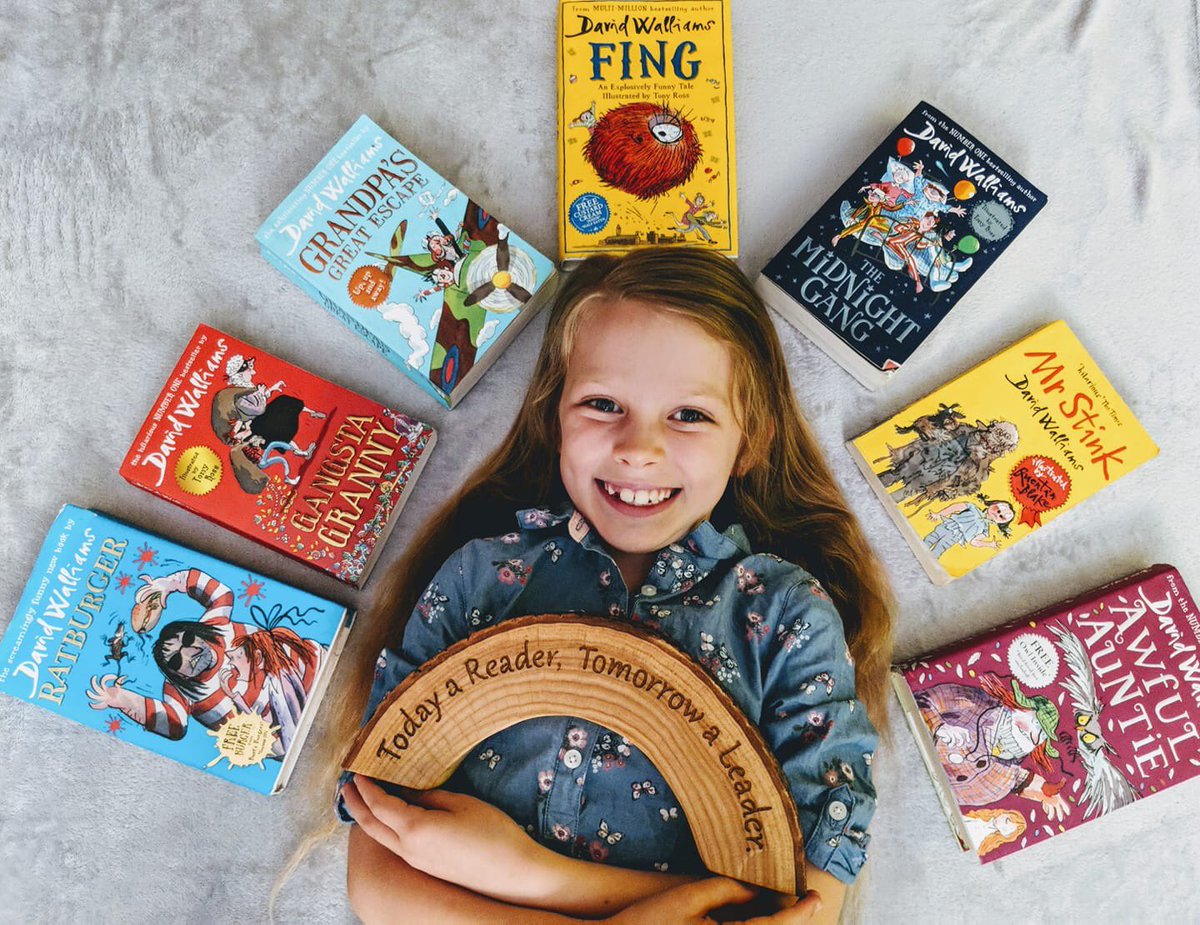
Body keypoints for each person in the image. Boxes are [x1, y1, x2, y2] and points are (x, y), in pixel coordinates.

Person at [329, 248, 894, 924]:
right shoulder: (480, 576)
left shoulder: (784, 615)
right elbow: (377, 877)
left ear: (752, 442)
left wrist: (528, 873)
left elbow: (800, 908)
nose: (640, 446)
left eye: (690, 415)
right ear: (554, 417)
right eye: (603, 404)